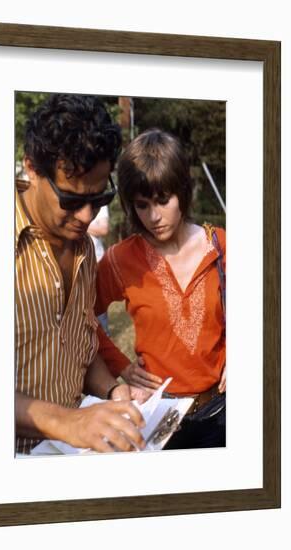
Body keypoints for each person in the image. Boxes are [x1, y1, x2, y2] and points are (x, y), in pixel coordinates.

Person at [15, 93, 147, 455]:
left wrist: (112, 390)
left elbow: (80, 348)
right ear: (32, 168)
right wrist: (68, 423)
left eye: (99, 200)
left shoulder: (86, 251)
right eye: (72, 200)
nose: (87, 217)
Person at [95, 128, 226, 449]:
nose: (153, 216)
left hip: (225, 412)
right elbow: (79, 317)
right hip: (159, 417)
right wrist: (120, 365)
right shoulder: (120, 258)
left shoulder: (223, 245)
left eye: (163, 200)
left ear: (183, 191)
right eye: (141, 204)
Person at [88, 206, 111, 334]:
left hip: (96, 261)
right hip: (75, 262)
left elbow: (103, 229)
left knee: (99, 310)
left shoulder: (100, 204)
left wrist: (79, 223)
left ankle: (104, 337)